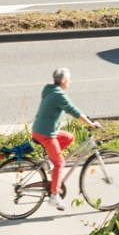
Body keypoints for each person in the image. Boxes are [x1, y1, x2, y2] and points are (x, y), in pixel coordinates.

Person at [32, 68, 100, 210]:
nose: (70, 81)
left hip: (42, 129)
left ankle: (49, 160)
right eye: (68, 79)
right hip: (46, 133)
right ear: (63, 80)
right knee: (59, 164)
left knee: (69, 137)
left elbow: (69, 109)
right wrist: (90, 123)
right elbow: (73, 110)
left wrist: (85, 118)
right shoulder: (58, 95)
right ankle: (54, 196)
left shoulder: (50, 90)